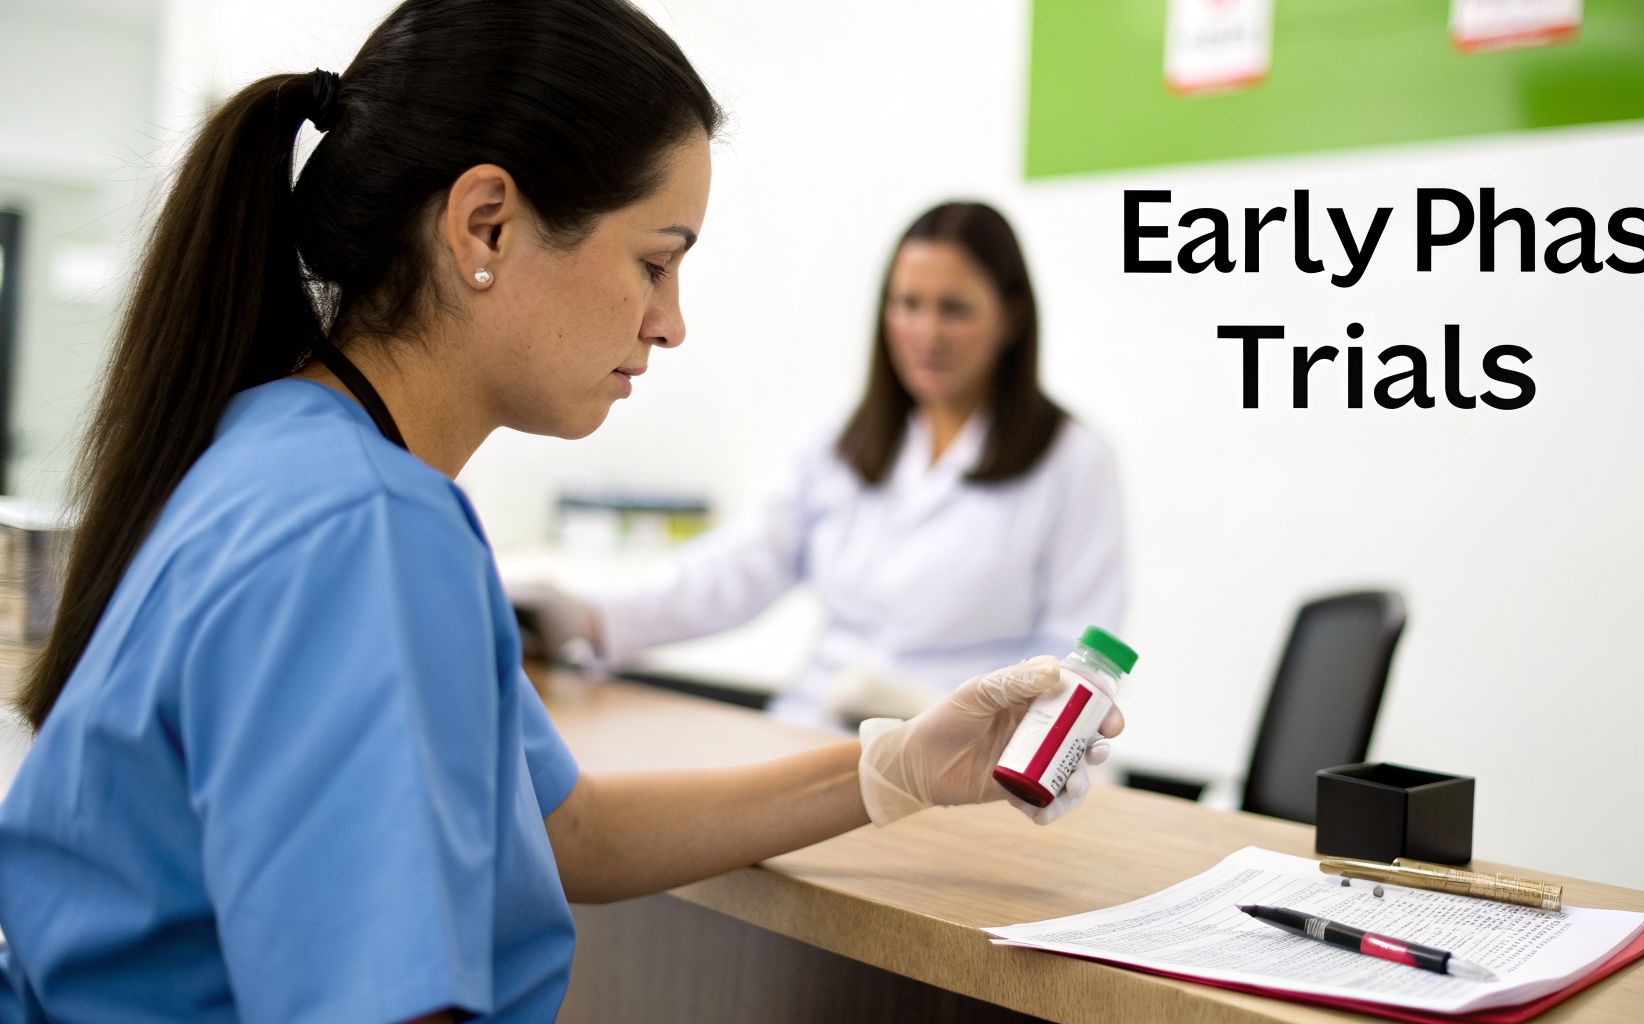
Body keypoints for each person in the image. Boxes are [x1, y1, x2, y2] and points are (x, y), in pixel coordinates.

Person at [0, 2, 1123, 1020]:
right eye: (654, 261)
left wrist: (892, 769)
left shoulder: (290, 448)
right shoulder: (367, 527)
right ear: (484, 226)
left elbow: (558, 831)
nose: (670, 322)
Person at [518, 202, 1126, 729]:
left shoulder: (1072, 460)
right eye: (908, 304)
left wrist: (966, 724)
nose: (926, 332)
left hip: (969, 764)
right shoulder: (844, 442)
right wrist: (589, 618)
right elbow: (738, 570)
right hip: (818, 734)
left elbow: (1075, 659)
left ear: (1012, 318)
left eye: (955, 309)